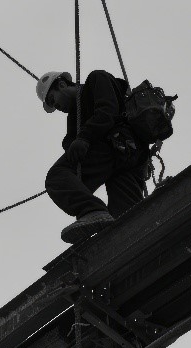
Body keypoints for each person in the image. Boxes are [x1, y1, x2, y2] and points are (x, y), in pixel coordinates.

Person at [36, 70, 150, 244]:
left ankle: (91, 210)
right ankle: (140, 242)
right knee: (127, 221)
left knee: (57, 177)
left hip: (118, 144)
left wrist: (84, 138)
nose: (56, 107)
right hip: (124, 159)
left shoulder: (97, 78)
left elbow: (108, 110)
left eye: (52, 100)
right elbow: (71, 143)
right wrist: (73, 141)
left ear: (61, 85)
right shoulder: (75, 115)